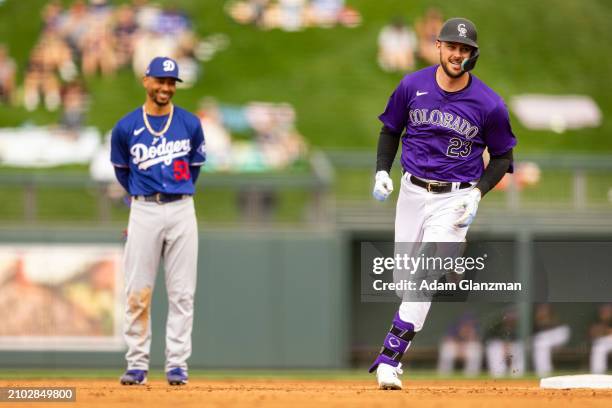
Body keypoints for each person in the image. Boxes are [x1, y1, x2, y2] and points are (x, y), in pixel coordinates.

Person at [368, 17, 517, 389]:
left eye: (465, 49)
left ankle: (389, 359)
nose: (457, 54)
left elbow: (502, 158)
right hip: (412, 192)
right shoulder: (411, 85)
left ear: (473, 55)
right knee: (405, 282)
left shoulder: (489, 104)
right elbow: (390, 130)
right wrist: (381, 171)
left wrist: (477, 192)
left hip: (455, 197)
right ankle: (450, 257)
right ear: (438, 46)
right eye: (452, 46)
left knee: (421, 278)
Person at [110, 56, 206, 386]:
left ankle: (177, 364)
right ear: (146, 80)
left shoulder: (190, 124)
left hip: (181, 207)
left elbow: (195, 167)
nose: (165, 87)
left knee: (182, 293)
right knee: (137, 290)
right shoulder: (125, 127)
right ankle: (136, 363)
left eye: (171, 82)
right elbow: (122, 172)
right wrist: (140, 196)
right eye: (160, 81)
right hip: (144, 209)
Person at [437, 312, 483, 377]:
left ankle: (471, 376)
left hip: (467, 349)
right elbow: (447, 339)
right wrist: (459, 348)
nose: (467, 325)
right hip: (455, 348)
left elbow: (477, 340)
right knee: (447, 348)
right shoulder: (454, 327)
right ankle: (443, 375)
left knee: (475, 349)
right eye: (465, 323)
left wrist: (465, 344)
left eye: (470, 323)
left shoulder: (474, 329)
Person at [531, 303, 570, 377]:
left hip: (558, 333)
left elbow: (554, 325)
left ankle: (544, 373)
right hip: (544, 339)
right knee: (541, 343)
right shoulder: (535, 319)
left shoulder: (553, 317)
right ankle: (544, 373)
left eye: (544, 309)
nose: (542, 311)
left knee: (542, 343)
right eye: (541, 309)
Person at [484, 309, 525, 378]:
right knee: (494, 349)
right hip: (497, 346)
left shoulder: (517, 328)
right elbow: (489, 338)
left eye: (512, 319)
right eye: (508, 318)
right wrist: (504, 346)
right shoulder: (496, 325)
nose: (510, 320)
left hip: (512, 346)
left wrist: (508, 347)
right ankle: (497, 374)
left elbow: (517, 340)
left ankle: (516, 375)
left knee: (519, 348)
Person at [589, 303, 612, 374]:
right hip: (604, 343)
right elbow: (593, 333)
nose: (605, 313)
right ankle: (598, 375)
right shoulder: (596, 320)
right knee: (598, 348)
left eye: (608, 311)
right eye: (603, 311)